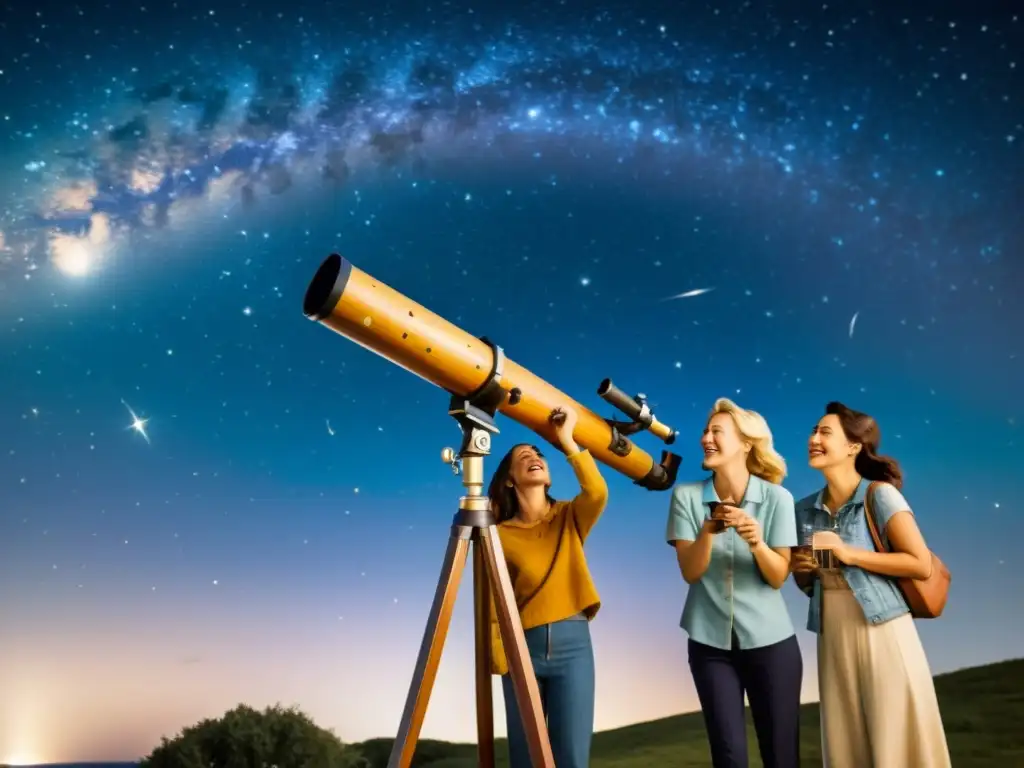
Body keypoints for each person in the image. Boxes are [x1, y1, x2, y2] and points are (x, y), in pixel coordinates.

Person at [791, 401, 951, 768]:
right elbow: (806, 582)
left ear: (853, 446)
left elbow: (920, 563)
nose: (813, 439)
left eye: (824, 432)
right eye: (813, 431)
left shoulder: (878, 495)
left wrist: (848, 554)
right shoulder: (802, 510)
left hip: (882, 628)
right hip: (832, 630)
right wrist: (802, 568)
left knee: (893, 729)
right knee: (848, 736)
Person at [666, 398, 802, 768]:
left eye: (716, 431)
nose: (706, 438)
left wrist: (757, 542)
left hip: (772, 643)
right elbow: (690, 572)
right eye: (706, 431)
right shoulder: (687, 497)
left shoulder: (777, 499)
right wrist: (708, 532)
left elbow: (777, 576)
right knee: (728, 756)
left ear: (746, 444)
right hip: (709, 645)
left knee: (782, 754)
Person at [486, 404, 609, 768]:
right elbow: (492, 599)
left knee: (572, 758)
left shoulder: (570, 516)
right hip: (521, 649)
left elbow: (598, 492)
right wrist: (500, 657)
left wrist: (567, 441)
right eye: (523, 456)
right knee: (525, 759)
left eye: (538, 453)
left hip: (575, 648)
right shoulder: (499, 535)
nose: (535, 457)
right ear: (509, 479)